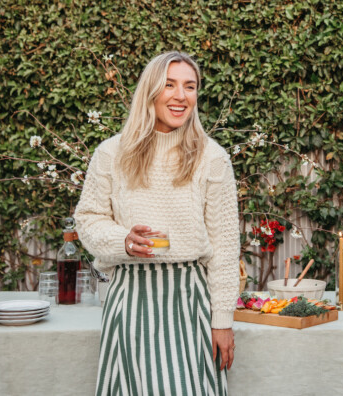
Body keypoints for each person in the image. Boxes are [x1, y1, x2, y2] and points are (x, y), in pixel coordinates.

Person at [74, 51, 240, 396]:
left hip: (190, 298)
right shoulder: (111, 153)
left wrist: (222, 320)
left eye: (190, 86)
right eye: (169, 85)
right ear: (150, 91)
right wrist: (122, 240)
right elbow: (88, 219)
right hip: (130, 297)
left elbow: (225, 245)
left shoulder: (213, 157)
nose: (181, 96)